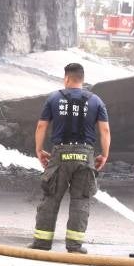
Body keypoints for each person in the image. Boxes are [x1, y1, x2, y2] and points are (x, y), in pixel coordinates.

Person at [29, 63, 110, 254]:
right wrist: (104, 154)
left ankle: (42, 243)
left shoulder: (54, 98)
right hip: (85, 155)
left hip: (60, 153)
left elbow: (41, 126)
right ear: (82, 79)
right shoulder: (97, 101)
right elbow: (105, 130)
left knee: (51, 197)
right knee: (81, 200)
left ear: (66, 78)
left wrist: (39, 150)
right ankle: (74, 246)